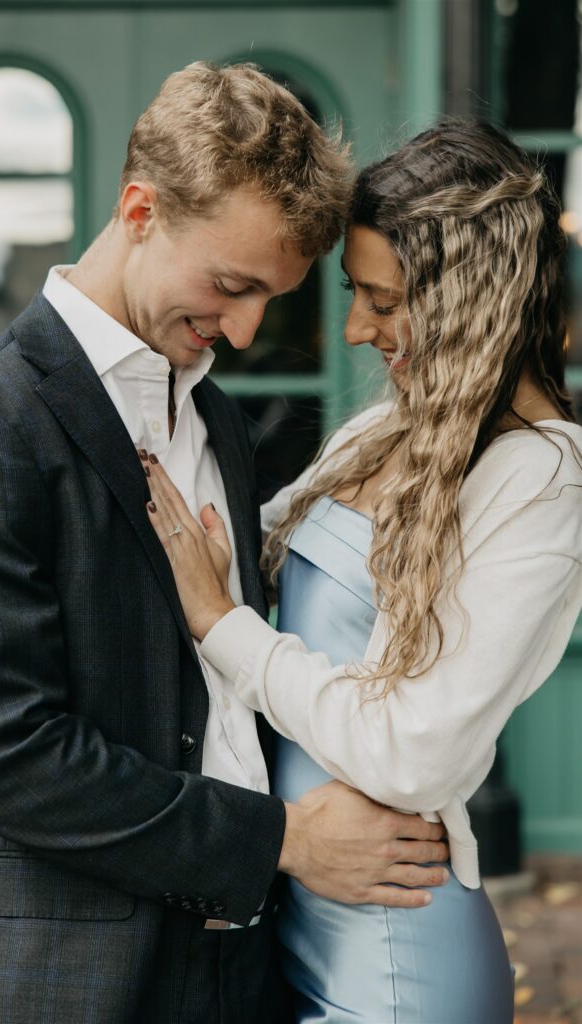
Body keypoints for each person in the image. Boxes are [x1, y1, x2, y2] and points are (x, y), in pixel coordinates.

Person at [0, 63, 450, 1024]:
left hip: (243, 965)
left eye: (271, 298)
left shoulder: (217, 420)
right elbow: (6, 755)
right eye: (232, 286)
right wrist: (283, 840)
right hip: (67, 980)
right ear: (139, 210)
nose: (245, 329)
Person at [143, 118, 582, 1023]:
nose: (353, 329)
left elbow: (412, 754)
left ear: (473, 299)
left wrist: (224, 626)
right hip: (297, 917)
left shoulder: (543, 478)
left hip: (396, 958)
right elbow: (235, 566)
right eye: (355, 292)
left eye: (383, 301)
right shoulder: (378, 433)